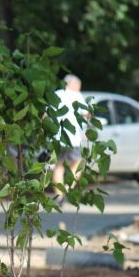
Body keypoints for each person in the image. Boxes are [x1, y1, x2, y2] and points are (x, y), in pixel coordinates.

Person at [52, 74, 88, 206]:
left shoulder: (56, 95)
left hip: (58, 137)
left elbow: (46, 115)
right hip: (73, 138)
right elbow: (86, 115)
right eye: (78, 86)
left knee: (58, 167)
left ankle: (59, 196)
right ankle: (67, 189)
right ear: (72, 85)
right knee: (77, 164)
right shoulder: (77, 96)